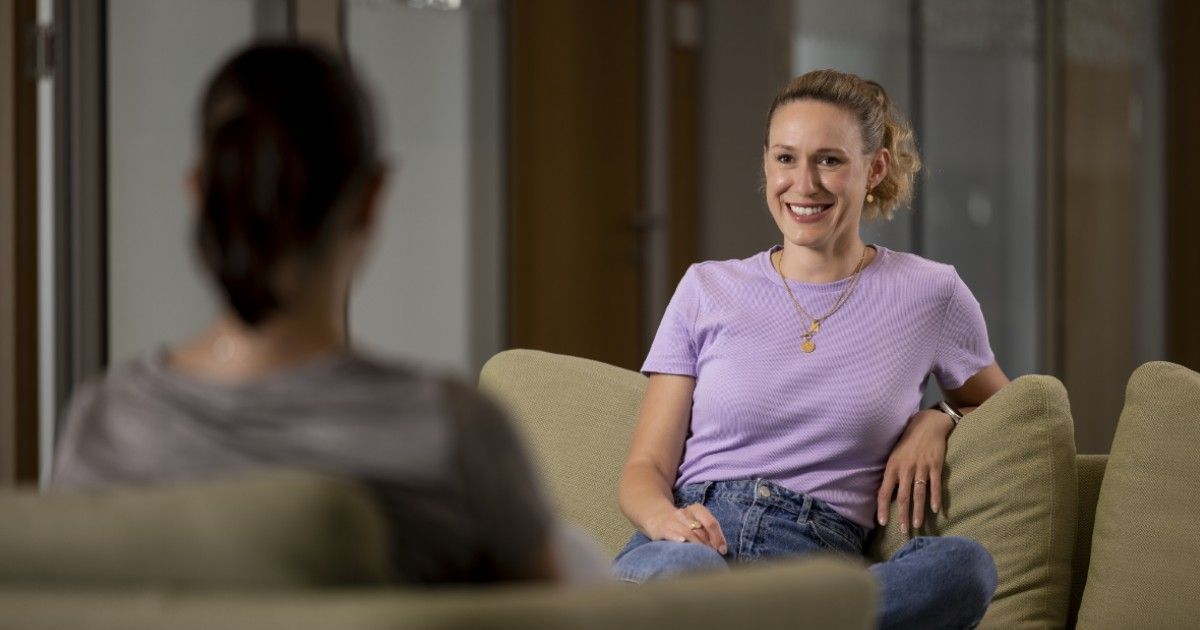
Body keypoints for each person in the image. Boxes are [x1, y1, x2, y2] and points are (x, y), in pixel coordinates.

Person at [51, 42, 558, 583]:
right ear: (372, 197)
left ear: (198, 190)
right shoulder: (451, 433)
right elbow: (559, 614)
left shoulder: (106, 423)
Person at [613, 69, 1010, 629]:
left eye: (829, 160)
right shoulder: (706, 288)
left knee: (964, 567)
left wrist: (939, 417)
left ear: (875, 168)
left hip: (817, 567)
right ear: (766, 165)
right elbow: (645, 468)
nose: (804, 184)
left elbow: (1006, 408)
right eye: (785, 158)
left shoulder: (931, 293)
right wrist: (665, 521)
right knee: (685, 575)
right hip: (694, 550)